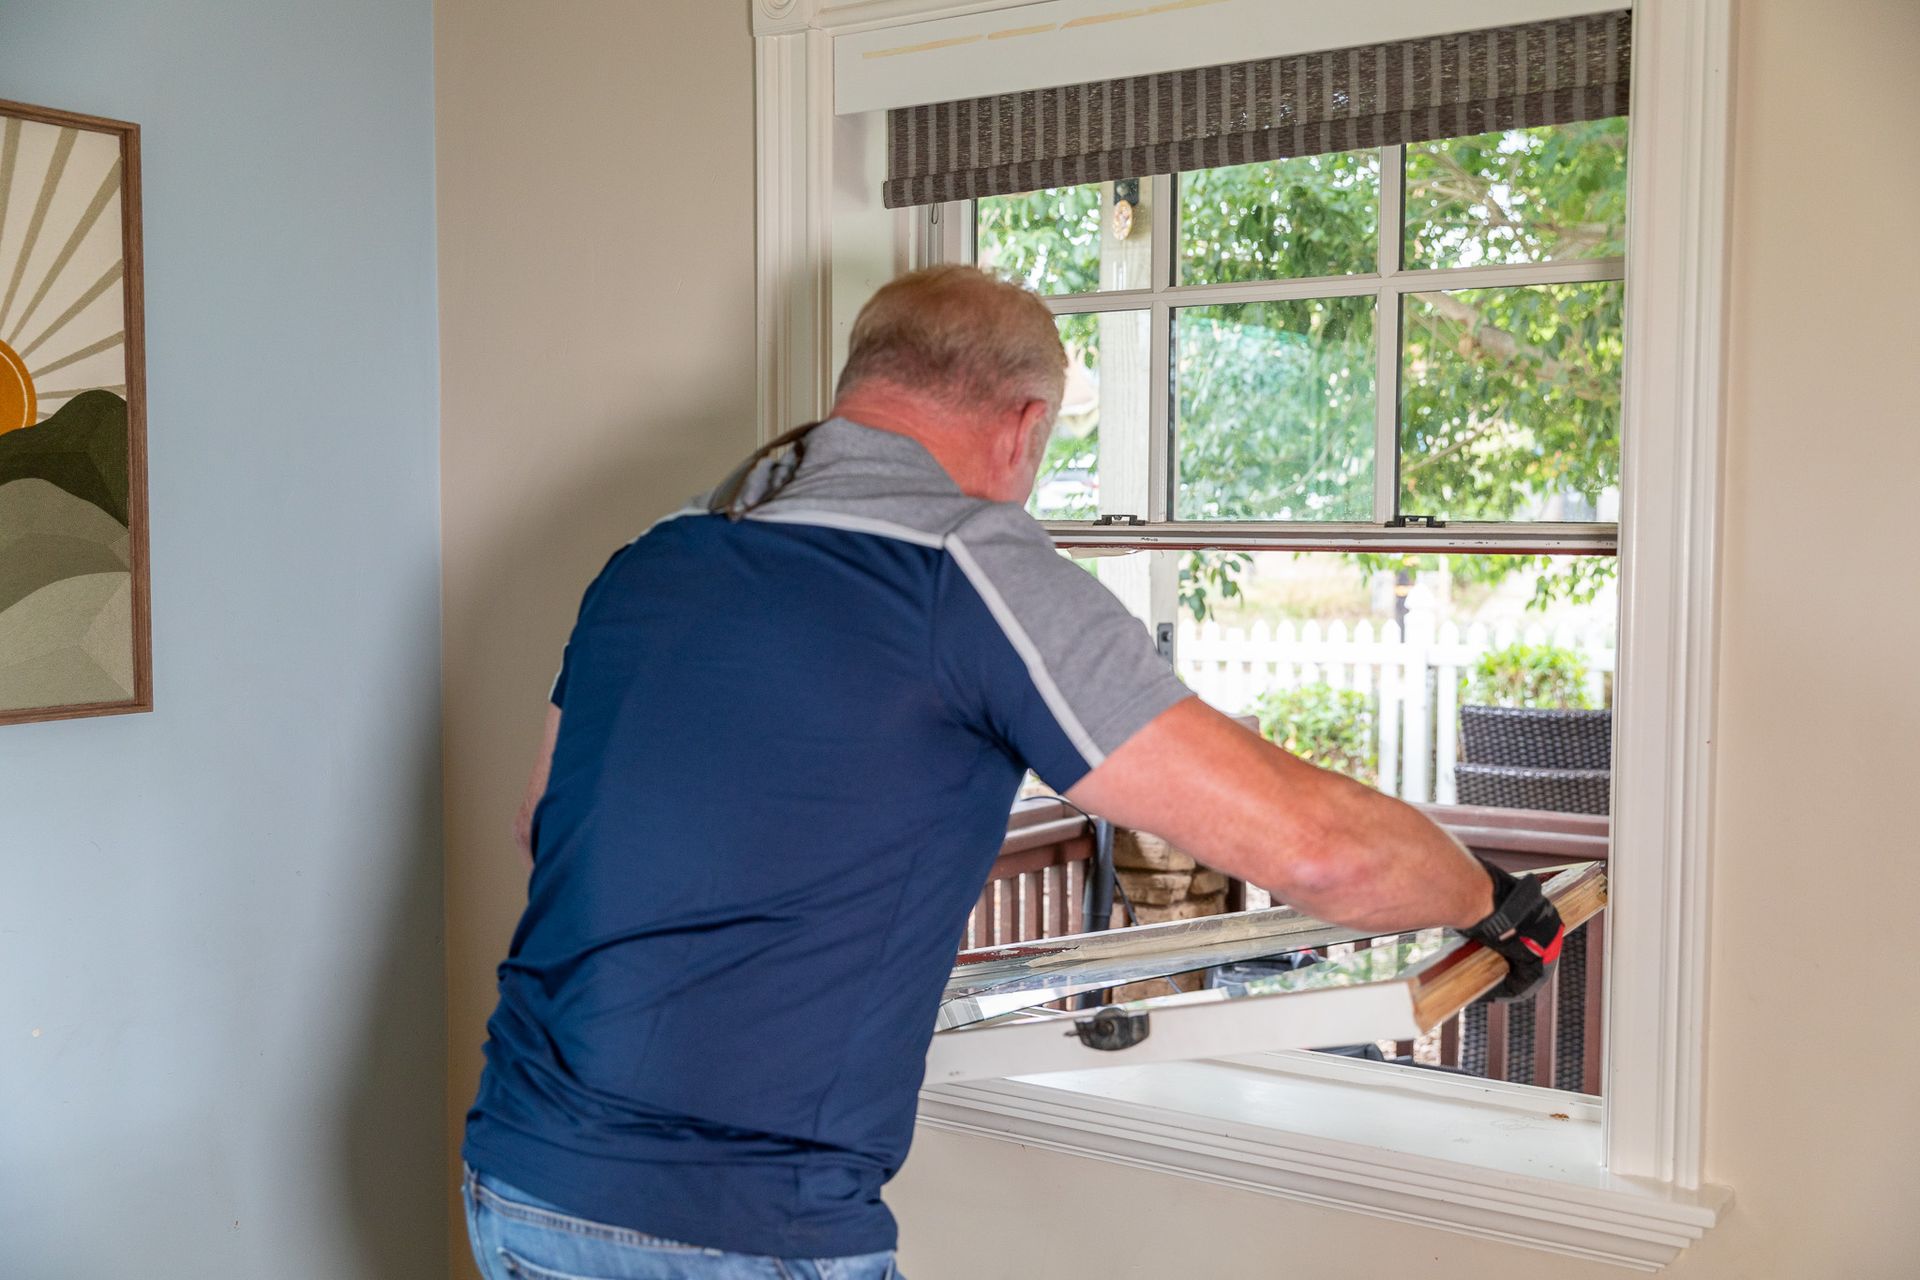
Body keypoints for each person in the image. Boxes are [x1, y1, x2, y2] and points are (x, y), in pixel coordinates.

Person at [461, 265, 1563, 1280]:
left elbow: (546, 826)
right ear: (1026, 423)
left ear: (862, 387)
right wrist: (1495, 904)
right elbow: (1321, 851)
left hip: (519, 1177)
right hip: (735, 1222)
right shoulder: (972, 567)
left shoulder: (658, 554)